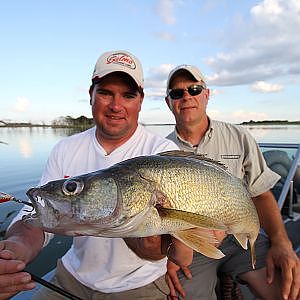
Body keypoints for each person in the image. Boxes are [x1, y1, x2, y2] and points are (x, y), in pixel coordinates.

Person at [0, 50, 179, 300]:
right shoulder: (65, 148)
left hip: (140, 284)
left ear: (140, 101)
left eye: (128, 95)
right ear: (91, 95)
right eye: (105, 92)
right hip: (72, 275)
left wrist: (160, 249)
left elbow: (164, 247)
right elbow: (37, 213)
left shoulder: (162, 153)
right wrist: (16, 250)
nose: (116, 106)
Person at [164, 64, 300, 300]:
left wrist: (281, 243)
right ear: (168, 102)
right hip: (191, 248)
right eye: (177, 93)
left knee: (289, 289)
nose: (186, 97)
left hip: (239, 240)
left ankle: (230, 280)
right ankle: (226, 284)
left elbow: (261, 194)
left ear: (207, 95)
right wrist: (169, 254)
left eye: (194, 89)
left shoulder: (239, 137)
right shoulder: (161, 150)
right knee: (178, 294)